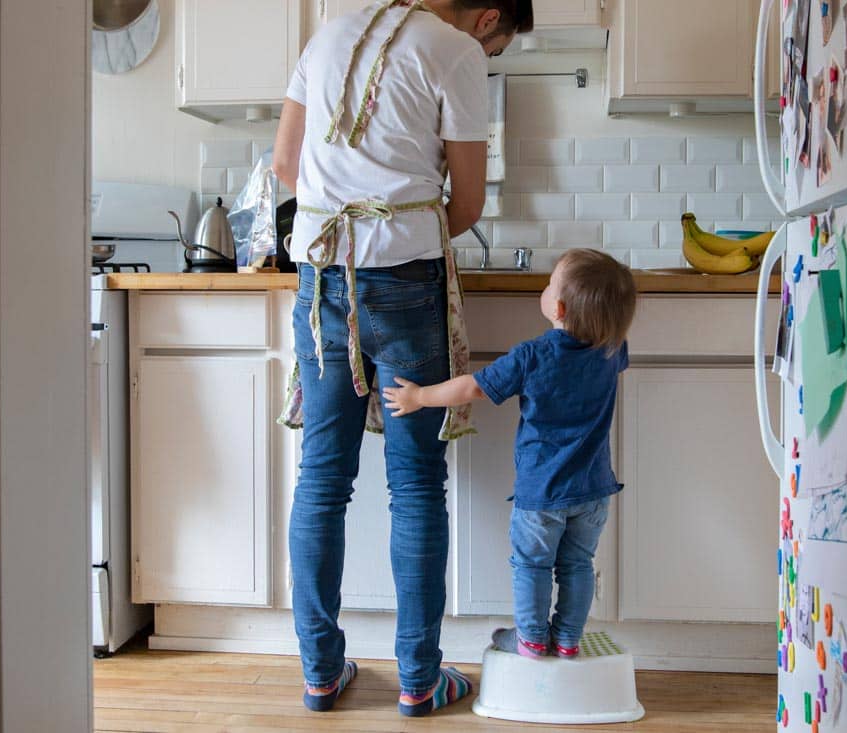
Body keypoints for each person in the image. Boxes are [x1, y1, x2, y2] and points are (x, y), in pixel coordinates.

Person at [271, 0, 534, 719]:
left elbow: (287, 165)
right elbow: (470, 201)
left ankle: (321, 674)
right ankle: (420, 679)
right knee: (415, 485)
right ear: (488, 16)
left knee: (322, 479)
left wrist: (351, 226)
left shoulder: (328, 32)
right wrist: (401, 239)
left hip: (324, 275)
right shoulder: (455, 51)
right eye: (502, 40)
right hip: (406, 287)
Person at [384, 248, 637, 660]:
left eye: (549, 282)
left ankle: (533, 640)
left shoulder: (533, 356)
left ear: (556, 306)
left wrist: (420, 396)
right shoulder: (612, 350)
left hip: (542, 495)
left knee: (532, 565)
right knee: (577, 564)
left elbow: (473, 387)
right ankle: (569, 639)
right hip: (593, 492)